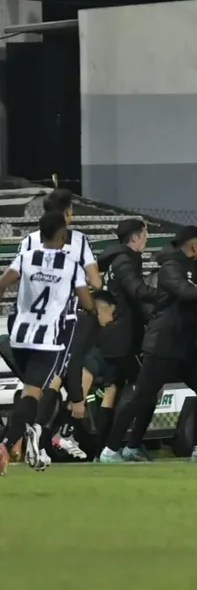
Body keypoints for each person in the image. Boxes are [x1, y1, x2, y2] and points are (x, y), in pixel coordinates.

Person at [100, 226, 197, 463]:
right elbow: (186, 292)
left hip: (185, 345)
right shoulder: (170, 268)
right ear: (194, 245)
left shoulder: (196, 268)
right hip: (164, 343)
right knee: (141, 396)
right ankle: (110, 450)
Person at [0, 211, 95, 475]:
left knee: (32, 391)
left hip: (20, 337)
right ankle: (8, 443)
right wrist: (90, 308)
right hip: (47, 341)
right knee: (33, 394)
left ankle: (30, 434)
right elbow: (86, 302)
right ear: (63, 235)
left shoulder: (26, 257)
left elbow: (3, 283)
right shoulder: (71, 265)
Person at [15, 189, 103, 459]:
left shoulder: (29, 241)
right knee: (55, 378)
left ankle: (19, 441)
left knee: (36, 385)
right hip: (63, 320)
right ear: (66, 213)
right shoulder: (77, 240)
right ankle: (37, 437)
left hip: (28, 322)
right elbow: (96, 281)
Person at [94, 218, 162, 452]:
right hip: (124, 337)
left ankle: (102, 450)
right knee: (146, 389)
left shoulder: (116, 259)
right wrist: (168, 294)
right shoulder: (125, 260)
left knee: (113, 390)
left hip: (113, 335)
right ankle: (126, 447)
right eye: (145, 234)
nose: (146, 239)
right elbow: (137, 291)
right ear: (135, 237)